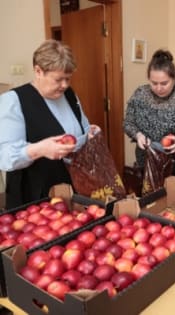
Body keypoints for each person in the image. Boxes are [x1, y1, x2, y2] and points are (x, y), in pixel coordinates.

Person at [0, 39, 98, 209]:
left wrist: (90, 133)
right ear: (38, 71)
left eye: (68, 79)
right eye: (59, 79)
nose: (65, 85)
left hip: (71, 188)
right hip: (34, 196)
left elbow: (83, 128)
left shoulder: (69, 95)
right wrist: (40, 149)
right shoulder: (14, 101)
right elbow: (5, 156)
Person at [123, 49, 175, 187]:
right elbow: (128, 123)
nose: (159, 88)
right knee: (151, 202)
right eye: (154, 83)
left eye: (164, 83)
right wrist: (138, 135)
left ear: (174, 78)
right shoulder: (140, 94)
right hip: (148, 162)